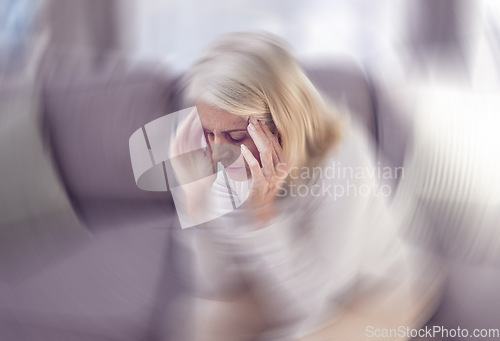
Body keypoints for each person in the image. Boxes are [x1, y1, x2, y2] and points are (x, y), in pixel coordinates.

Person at [168, 31, 439, 341]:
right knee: (200, 325)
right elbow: (216, 285)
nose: (217, 152)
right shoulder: (210, 155)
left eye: (237, 136)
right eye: (208, 132)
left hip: (370, 293)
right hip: (272, 286)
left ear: (283, 125)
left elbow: (314, 303)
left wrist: (262, 214)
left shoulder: (344, 158)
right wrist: (195, 202)